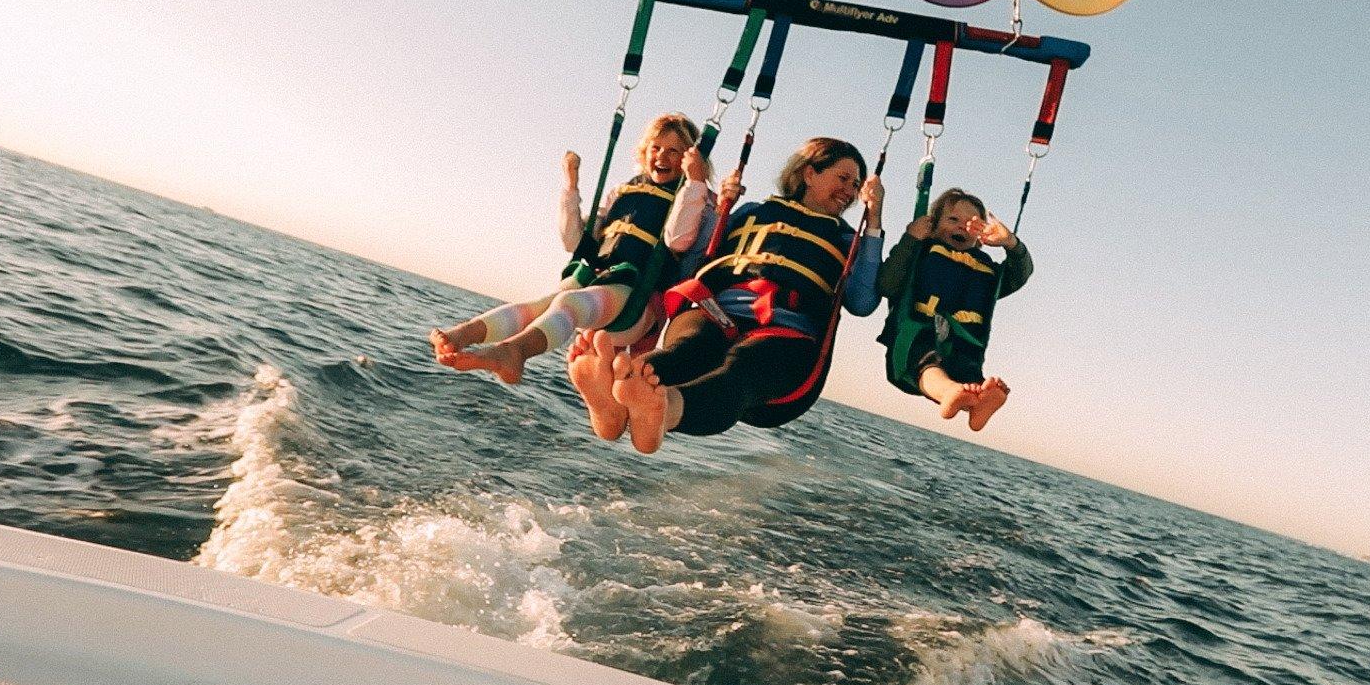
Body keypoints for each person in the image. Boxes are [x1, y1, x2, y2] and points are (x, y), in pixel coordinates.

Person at [572, 137, 884, 451]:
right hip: (715, 312)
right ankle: (614, 402)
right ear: (809, 173)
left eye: (856, 185)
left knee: (742, 369)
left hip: (785, 330)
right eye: (843, 178)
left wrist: (873, 221)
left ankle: (661, 408)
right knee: (688, 349)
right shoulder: (751, 211)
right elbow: (694, 260)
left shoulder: (848, 239)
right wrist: (720, 209)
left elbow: (861, 301)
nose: (850, 190)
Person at [430, 113, 714, 384]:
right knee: (545, 303)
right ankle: (466, 334)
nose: (662, 156)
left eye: (674, 151)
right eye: (656, 147)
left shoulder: (690, 196)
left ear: (689, 160)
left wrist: (695, 182)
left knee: (568, 303)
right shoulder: (623, 191)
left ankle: (514, 352)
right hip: (596, 280)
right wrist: (571, 186)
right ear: (645, 150)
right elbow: (573, 241)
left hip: (635, 300)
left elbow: (677, 240)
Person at [876, 188, 1031, 431]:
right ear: (933, 226)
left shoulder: (985, 269)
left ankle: (980, 401)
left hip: (964, 340)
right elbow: (887, 284)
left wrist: (1010, 243)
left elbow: (1020, 275)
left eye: (971, 223)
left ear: (980, 234)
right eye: (953, 219)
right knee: (925, 359)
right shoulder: (919, 252)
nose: (961, 226)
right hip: (916, 332)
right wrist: (911, 238)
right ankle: (950, 391)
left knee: (968, 370)